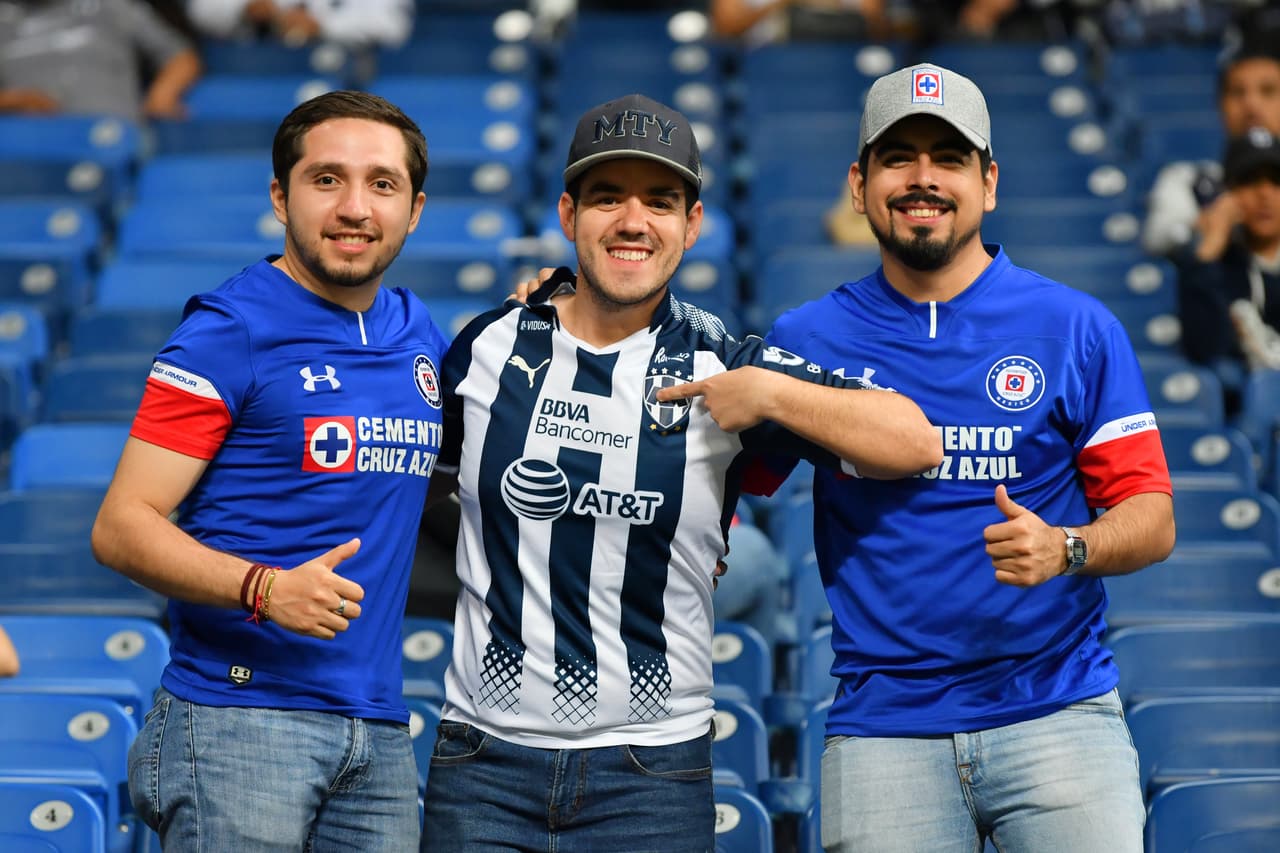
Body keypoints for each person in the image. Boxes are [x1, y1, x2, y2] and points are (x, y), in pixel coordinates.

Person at [419, 92, 942, 852]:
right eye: (607, 198)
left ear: (692, 225)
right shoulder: (488, 345)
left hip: (650, 775)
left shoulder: (722, 360)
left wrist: (770, 391)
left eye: (660, 201)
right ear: (569, 215)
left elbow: (913, 440)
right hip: (481, 766)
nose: (633, 221)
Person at [749, 63, 1176, 852]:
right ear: (859, 182)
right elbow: (725, 492)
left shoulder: (1077, 327)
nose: (922, 179)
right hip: (885, 729)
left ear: (989, 182)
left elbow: (1152, 519)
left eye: (948, 159)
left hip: (1061, 715)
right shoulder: (805, 341)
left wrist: (1068, 546)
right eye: (897, 157)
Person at [91, 89, 447, 851]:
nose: (355, 206)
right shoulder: (227, 331)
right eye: (327, 180)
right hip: (238, 721)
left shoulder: (418, 331)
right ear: (281, 196)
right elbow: (120, 527)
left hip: (377, 727)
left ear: (414, 210)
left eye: (381, 184)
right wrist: (265, 587)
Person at [1142, 46, 1280, 258]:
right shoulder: (1189, 180)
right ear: (1220, 103)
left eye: (1268, 91)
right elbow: (1158, 238)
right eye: (1237, 92)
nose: (1251, 105)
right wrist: (1208, 225)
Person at [1175, 126, 1280, 375]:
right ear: (1227, 193)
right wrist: (1213, 241)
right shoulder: (1215, 267)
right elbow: (1205, 349)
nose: (1264, 194)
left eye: (1276, 180)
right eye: (1249, 180)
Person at [0, 0, 201, 120]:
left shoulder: (110, 6)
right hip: (29, 149)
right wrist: (11, 101)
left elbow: (180, 55)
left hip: (112, 136)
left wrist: (162, 95)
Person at [185, 0, 413, 48]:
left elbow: (393, 25)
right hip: (262, 64)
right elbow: (199, 11)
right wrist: (245, 9)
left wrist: (322, 25)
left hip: (346, 72)